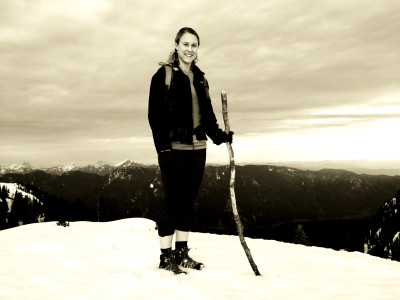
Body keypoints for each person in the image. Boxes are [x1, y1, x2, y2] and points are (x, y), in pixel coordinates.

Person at [148, 27, 233, 274]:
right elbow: (155, 116)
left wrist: (219, 136)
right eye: (185, 44)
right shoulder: (163, 75)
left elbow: (206, 115)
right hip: (173, 148)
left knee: (187, 201)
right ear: (176, 45)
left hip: (198, 148)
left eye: (194, 45)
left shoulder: (200, 77)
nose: (189, 49)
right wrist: (162, 149)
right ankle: (166, 257)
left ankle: (181, 252)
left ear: (198, 49)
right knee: (173, 201)